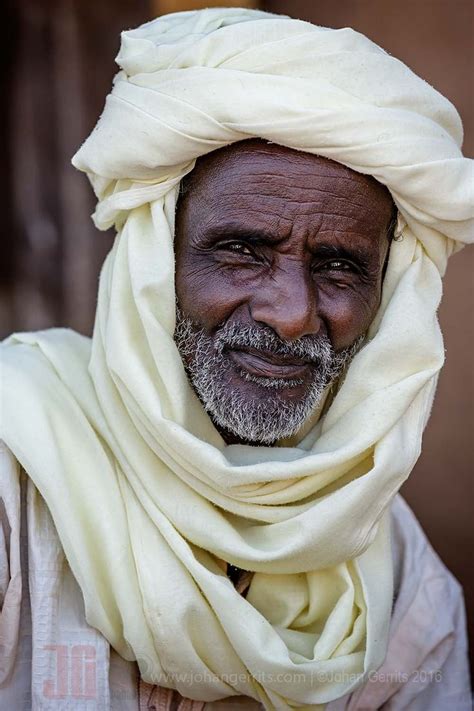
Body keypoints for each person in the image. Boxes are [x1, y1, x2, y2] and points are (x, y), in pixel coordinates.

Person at [0, 7, 472, 710]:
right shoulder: (15, 478)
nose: (290, 312)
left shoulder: (405, 584)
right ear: (156, 259)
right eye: (242, 250)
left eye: (339, 266)